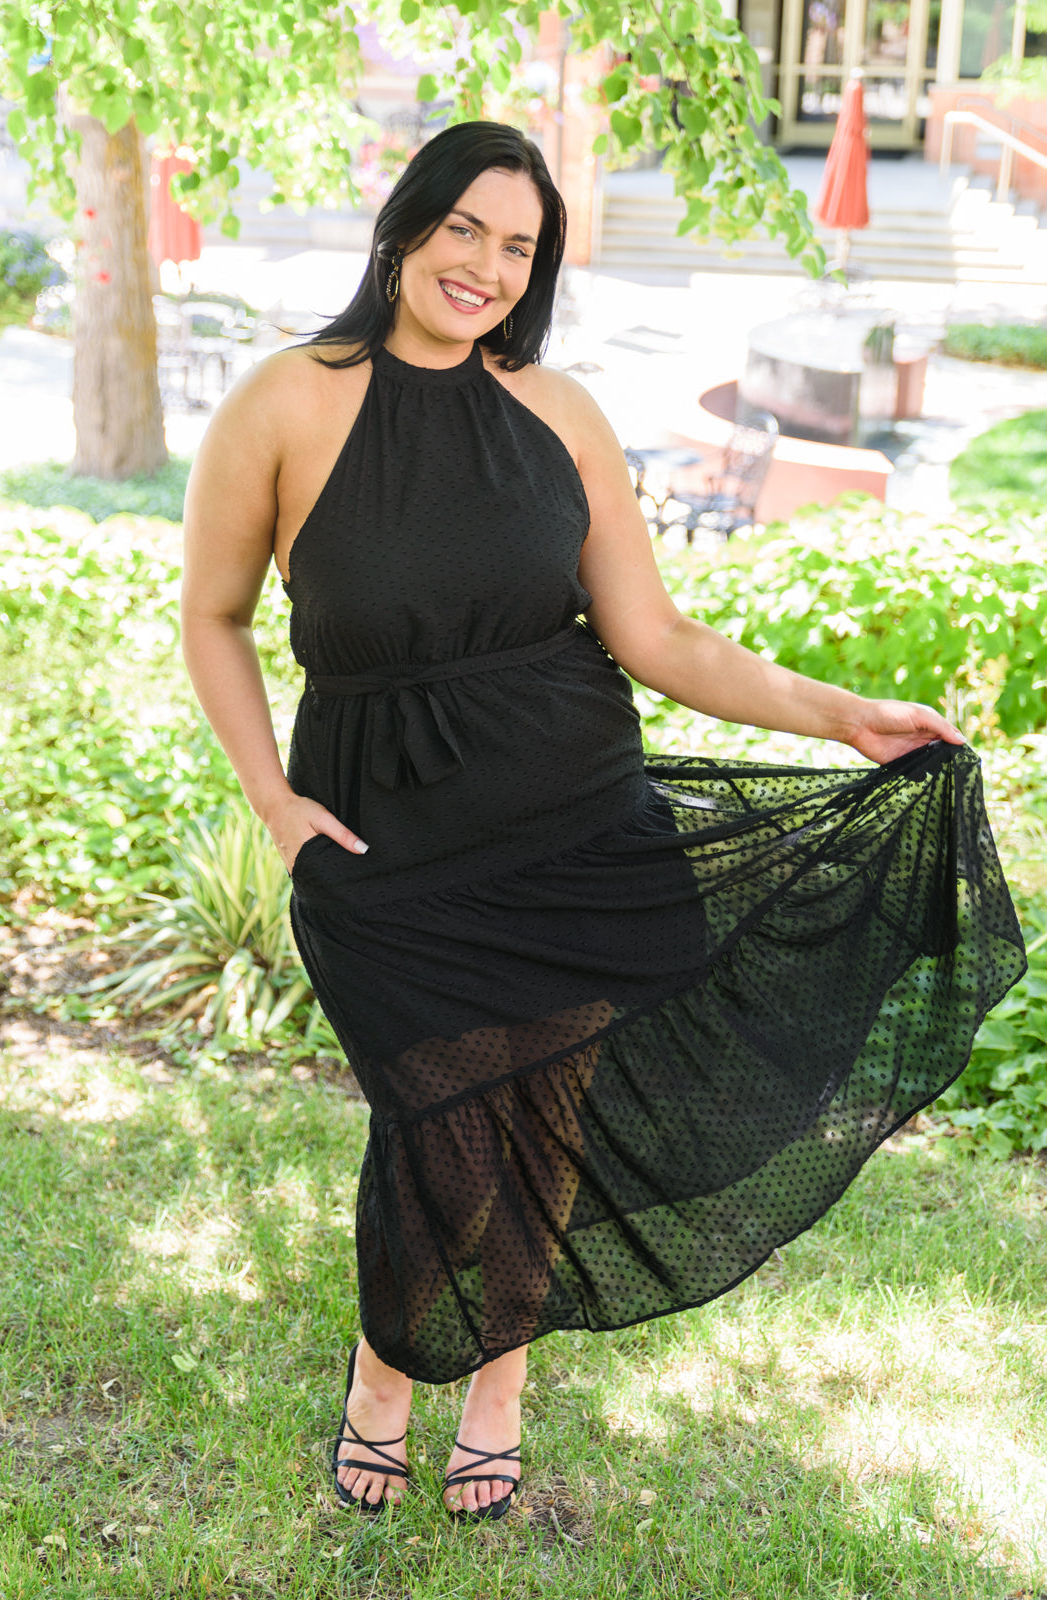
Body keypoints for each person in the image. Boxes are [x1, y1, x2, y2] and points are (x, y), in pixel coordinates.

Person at [180, 122, 1025, 1524]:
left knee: (546, 1126)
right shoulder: (284, 400)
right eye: (465, 228)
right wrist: (272, 798)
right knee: (440, 1137)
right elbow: (213, 615)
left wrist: (843, 716)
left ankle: (497, 1388)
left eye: (519, 247)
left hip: (576, 820)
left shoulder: (559, 413)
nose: (486, 267)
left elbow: (659, 637)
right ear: (406, 226)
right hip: (389, 846)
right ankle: (387, 1371)